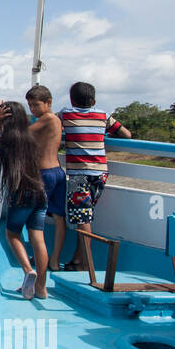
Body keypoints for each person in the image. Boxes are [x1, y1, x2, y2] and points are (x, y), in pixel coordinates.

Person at [0, 100, 49, 299]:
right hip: (40, 193)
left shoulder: (5, 141)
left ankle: (28, 270)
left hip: (20, 195)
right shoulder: (31, 137)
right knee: (38, 239)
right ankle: (41, 288)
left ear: (4, 121)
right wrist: (0, 118)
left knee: (13, 235)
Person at [55, 82, 131, 277]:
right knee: (85, 216)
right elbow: (126, 134)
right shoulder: (103, 115)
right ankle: (77, 259)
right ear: (94, 101)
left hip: (79, 175)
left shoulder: (66, 114)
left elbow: (52, 126)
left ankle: (84, 263)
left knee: (83, 217)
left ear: (72, 100)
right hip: (101, 173)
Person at [25, 85, 66, 268]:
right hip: (57, 172)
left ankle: (40, 258)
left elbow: (24, 133)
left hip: (45, 174)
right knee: (59, 218)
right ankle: (55, 260)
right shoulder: (56, 120)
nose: (32, 109)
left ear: (48, 103)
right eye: (30, 106)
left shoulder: (47, 118)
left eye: (35, 105)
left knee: (34, 216)